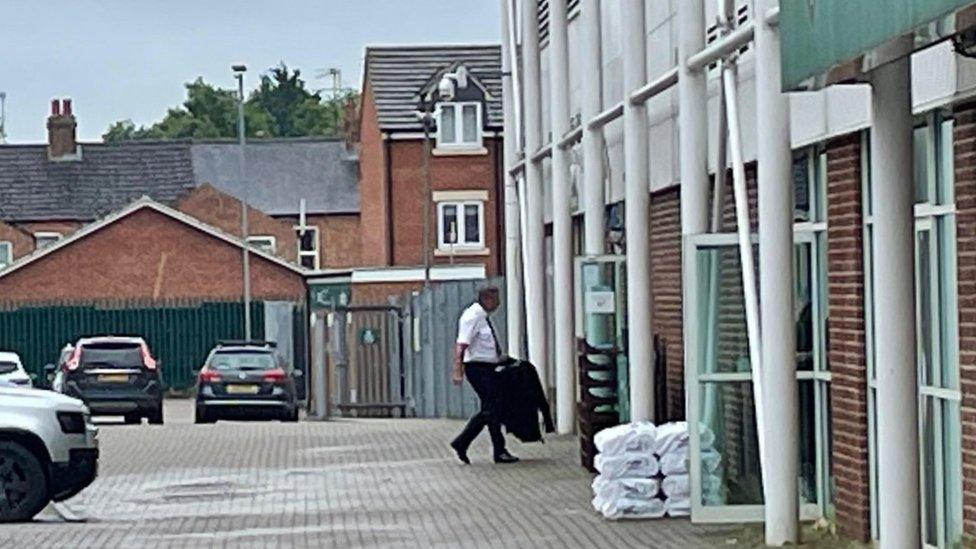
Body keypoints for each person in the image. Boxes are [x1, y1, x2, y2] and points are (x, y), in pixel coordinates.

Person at [449, 285, 519, 465]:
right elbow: (462, 345)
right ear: (487, 299)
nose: (498, 304)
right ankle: (465, 443)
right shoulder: (472, 316)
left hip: (487, 366)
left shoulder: (482, 316)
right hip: (477, 368)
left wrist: (500, 358)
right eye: (496, 300)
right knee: (492, 407)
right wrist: (458, 370)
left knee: (492, 409)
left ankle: (494, 449)